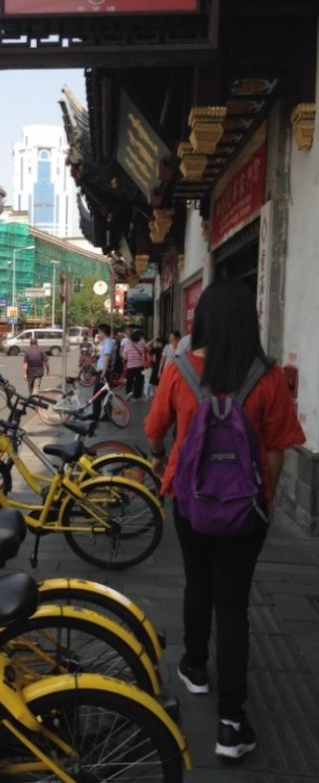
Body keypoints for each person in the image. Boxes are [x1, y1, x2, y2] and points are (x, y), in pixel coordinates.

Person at [144, 279, 305, 761]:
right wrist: (266, 498)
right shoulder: (268, 377)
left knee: (197, 583)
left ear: (204, 320)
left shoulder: (178, 370)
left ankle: (194, 667)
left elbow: (154, 431)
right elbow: (276, 450)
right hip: (246, 509)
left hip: (191, 504)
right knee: (233, 605)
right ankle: (232, 723)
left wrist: (160, 460)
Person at [92, 323, 114, 420]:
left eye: (99, 332)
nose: (98, 334)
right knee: (105, 394)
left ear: (103, 332)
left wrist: (104, 372)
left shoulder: (108, 343)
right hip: (103, 372)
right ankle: (107, 415)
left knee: (97, 394)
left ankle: (95, 415)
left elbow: (107, 357)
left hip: (103, 373)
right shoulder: (105, 343)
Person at [123, 329, 146, 401]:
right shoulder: (141, 347)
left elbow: (124, 357)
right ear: (139, 339)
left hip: (130, 367)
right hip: (139, 366)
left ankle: (129, 392)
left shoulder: (127, 347)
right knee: (139, 382)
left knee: (129, 381)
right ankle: (137, 396)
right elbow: (143, 357)